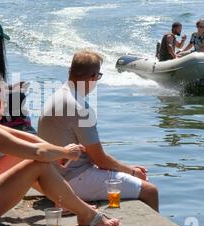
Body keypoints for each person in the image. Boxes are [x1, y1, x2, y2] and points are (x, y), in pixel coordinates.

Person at [0, 58, 120, 226]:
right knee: (39, 165)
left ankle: (66, 201)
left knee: (24, 153)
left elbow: (26, 138)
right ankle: (86, 214)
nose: (5, 104)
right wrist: (65, 152)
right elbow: (38, 153)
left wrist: (59, 152)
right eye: (3, 99)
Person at [38, 50, 159, 211]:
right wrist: (132, 172)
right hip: (73, 180)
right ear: (93, 77)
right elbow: (100, 160)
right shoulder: (81, 108)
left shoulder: (56, 96)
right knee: (150, 191)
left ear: (70, 72)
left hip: (51, 177)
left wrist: (127, 169)